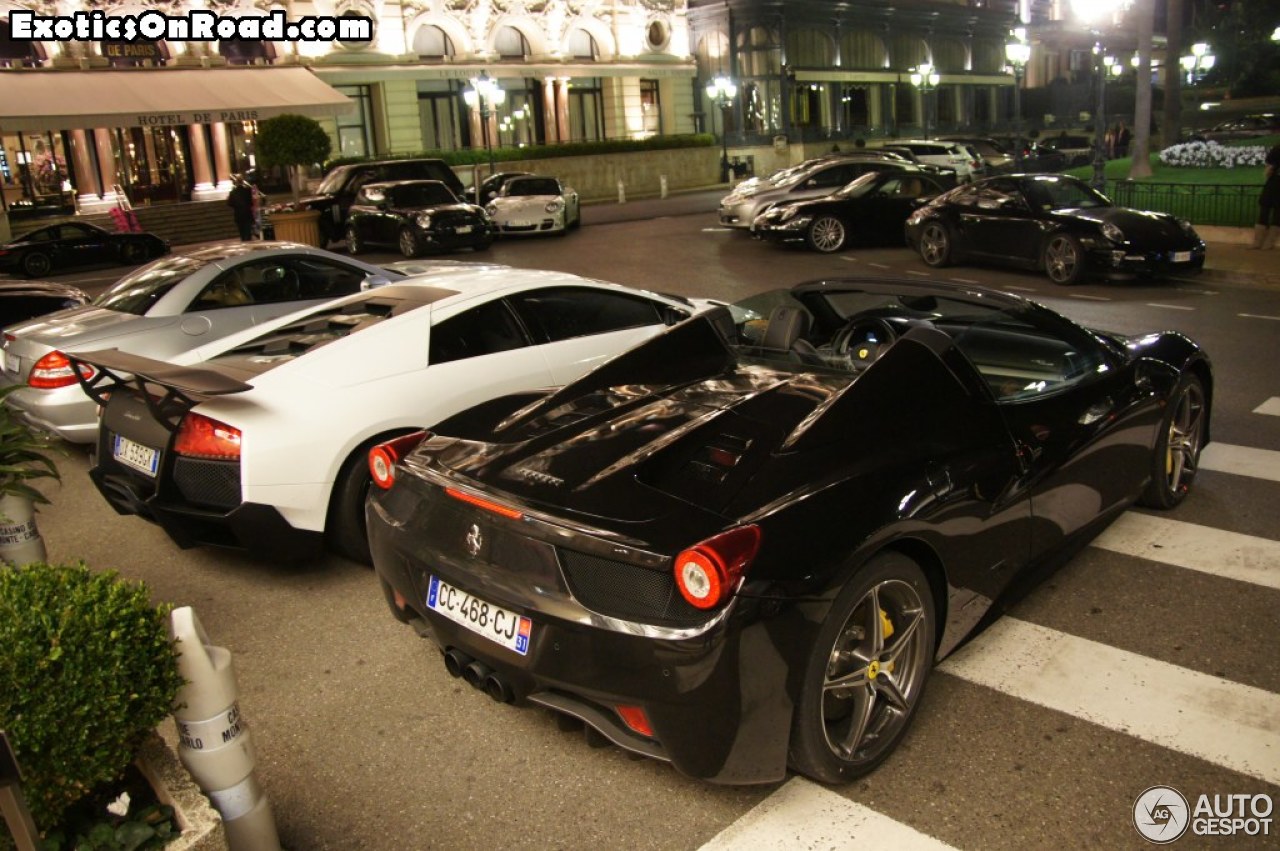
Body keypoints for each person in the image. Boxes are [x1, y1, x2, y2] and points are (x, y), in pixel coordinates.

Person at [1252, 142, 1280, 249]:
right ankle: (1268, 243)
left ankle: (1257, 243)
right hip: (1274, 184)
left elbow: (1268, 169)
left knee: (1264, 213)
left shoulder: (1276, 149)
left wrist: (1269, 172)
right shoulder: (1277, 149)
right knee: (1277, 215)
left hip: (1272, 184)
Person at [227, 175, 254, 242]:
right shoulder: (247, 191)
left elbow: (230, 203)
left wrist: (236, 206)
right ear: (242, 182)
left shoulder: (232, 193)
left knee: (242, 232)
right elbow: (251, 202)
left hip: (238, 214)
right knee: (248, 231)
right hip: (247, 213)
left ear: (236, 182)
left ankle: (244, 242)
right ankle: (248, 243)